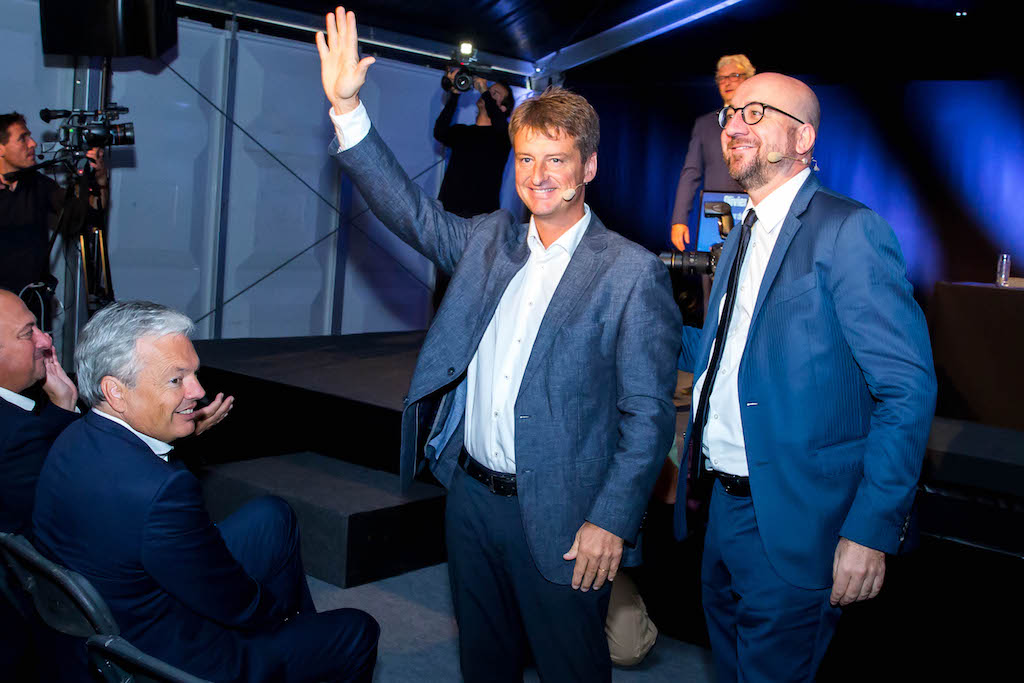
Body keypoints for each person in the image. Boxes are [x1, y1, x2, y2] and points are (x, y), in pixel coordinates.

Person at [316, 8, 679, 681]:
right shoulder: (488, 241)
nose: (539, 175)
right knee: (484, 665)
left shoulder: (631, 272)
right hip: (471, 501)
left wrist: (610, 520)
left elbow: (649, 416)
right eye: (527, 158)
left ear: (589, 166)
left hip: (568, 515)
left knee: (571, 668)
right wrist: (347, 110)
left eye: (557, 160)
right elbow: (408, 210)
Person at [673, 72, 936, 681]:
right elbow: (725, 354)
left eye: (755, 113)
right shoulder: (742, 232)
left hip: (797, 521)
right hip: (723, 509)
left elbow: (907, 389)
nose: (734, 126)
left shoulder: (849, 231)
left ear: (803, 138)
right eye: (730, 114)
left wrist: (870, 530)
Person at [32, 301, 379, 683]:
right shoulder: (160, 492)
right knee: (356, 629)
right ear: (116, 391)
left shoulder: (72, 437)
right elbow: (232, 602)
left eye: (194, 374)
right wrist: (272, 615)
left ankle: (295, 640)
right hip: (169, 657)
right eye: (176, 380)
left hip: (121, 609)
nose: (197, 391)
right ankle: (290, 641)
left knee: (273, 516)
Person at [0, 113, 107, 326]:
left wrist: (99, 179)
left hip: (33, 306)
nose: (32, 143)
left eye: (30, 136)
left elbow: (82, 216)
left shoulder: (36, 183)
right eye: (22, 138)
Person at [431, 71, 514, 310]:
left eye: (496, 94)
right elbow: (440, 131)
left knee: (473, 283)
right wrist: (455, 94)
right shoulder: (463, 132)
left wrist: (484, 89)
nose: (488, 94)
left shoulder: (502, 137)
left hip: (481, 220)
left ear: (502, 108)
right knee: (444, 282)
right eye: (489, 91)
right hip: (450, 215)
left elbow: (500, 126)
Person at [669, 55, 754, 252]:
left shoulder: (760, 121)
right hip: (715, 219)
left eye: (734, 76)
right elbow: (691, 172)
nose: (727, 82)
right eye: (722, 78)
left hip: (752, 213)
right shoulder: (705, 124)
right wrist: (679, 219)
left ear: (748, 78)